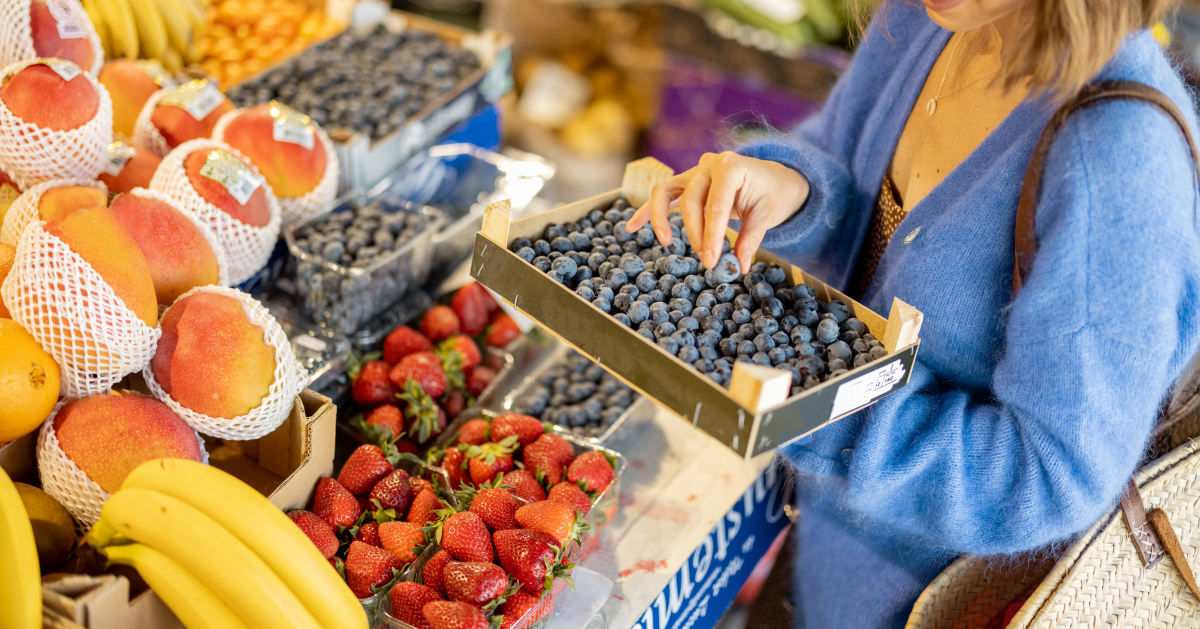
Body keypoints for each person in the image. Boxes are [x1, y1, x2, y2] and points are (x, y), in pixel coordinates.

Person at [627, 0, 1200, 627]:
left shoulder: (1119, 156)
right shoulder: (927, 16)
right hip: (811, 548)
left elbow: (1048, 477)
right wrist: (791, 191)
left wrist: (817, 404)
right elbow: (847, 169)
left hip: (926, 606)